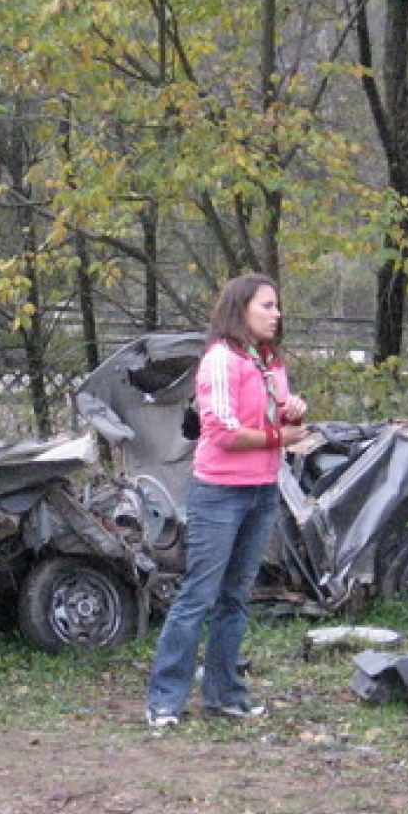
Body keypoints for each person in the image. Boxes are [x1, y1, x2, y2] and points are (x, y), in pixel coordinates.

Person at [145, 274, 308, 728]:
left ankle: (224, 694)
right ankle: (164, 699)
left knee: (236, 596)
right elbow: (221, 430)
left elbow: (273, 412)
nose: (277, 314)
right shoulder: (221, 359)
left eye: (277, 306)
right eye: (267, 306)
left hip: (262, 490)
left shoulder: (268, 361)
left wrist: (293, 408)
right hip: (219, 494)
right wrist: (280, 435)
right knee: (198, 594)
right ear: (241, 310)